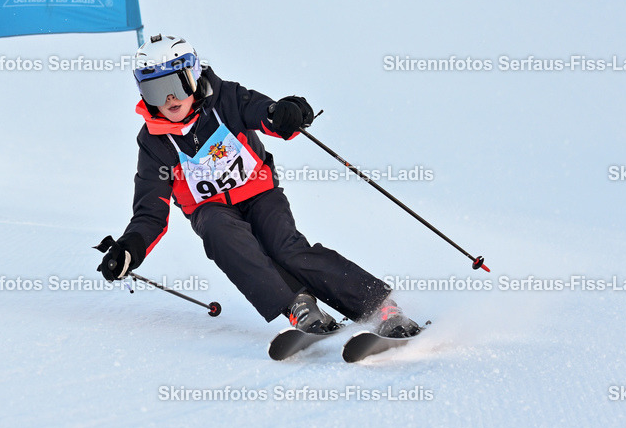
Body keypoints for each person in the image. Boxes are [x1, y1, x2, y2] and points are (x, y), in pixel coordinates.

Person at [95, 35, 420, 338]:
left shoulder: (224, 99)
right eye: (155, 91)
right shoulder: (153, 141)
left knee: (285, 248)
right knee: (221, 233)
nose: (169, 99)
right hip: (211, 210)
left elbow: (264, 114)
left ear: (193, 76)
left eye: (176, 86)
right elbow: (150, 212)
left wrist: (286, 112)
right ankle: (298, 306)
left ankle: (379, 306)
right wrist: (129, 250)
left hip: (259, 193)